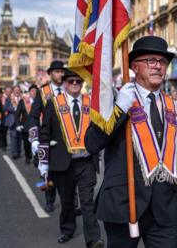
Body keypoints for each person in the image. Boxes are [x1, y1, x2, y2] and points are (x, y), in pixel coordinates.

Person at [85, 36, 177, 248]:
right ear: (135, 66)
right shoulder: (117, 99)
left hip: (165, 207)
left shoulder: (173, 105)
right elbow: (91, 143)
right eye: (151, 61)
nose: (158, 67)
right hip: (123, 203)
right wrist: (119, 110)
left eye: (162, 62)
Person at [38, 70, 103, 248]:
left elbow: (99, 130)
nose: (75, 84)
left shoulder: (91, 104)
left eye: (78, 81)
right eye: (71, 81)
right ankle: (67, 230)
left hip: (86, 162)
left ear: (82, 84)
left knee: (87, 202)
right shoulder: (53, 104)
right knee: (67, 202)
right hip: (63, 163)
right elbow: (45, 133)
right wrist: (43, 162)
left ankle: (93, 239)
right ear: (65, 84)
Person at [27, 60, 66, 212]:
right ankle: (50, 199)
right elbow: (33, 116)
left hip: (67, 136)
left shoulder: (69, 89)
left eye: (62, 71)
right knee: (49, 173)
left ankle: (72, 202)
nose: (60, 74)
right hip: (48, 136)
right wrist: (34, 138)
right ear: (50, 74)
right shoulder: (43, 92)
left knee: (71, 171)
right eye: (57, 71)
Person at [15, 84, 37, 164]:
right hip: (26, 127)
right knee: (27, 144)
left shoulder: (40, 101)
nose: (34, 93)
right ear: (29, 92)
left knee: (36, 145)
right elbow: (17, 114)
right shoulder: (23, 101)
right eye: (32, 91)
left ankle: (36, 159)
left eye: (35, 91)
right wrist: (18, 125)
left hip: (37, 127)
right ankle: (28, 157)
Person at [6, 86, 23, 159]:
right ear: (13, 91)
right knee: (13, 137)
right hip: (13, 121)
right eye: (15, 90)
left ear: (20, 91)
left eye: (18, 90)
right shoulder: (9, 99)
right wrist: (14, 109)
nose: (17, 91)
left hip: (21, 121)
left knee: (19, 138)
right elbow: (5, 108)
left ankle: (18, 152)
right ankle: (14, 153)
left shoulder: (23, 99)